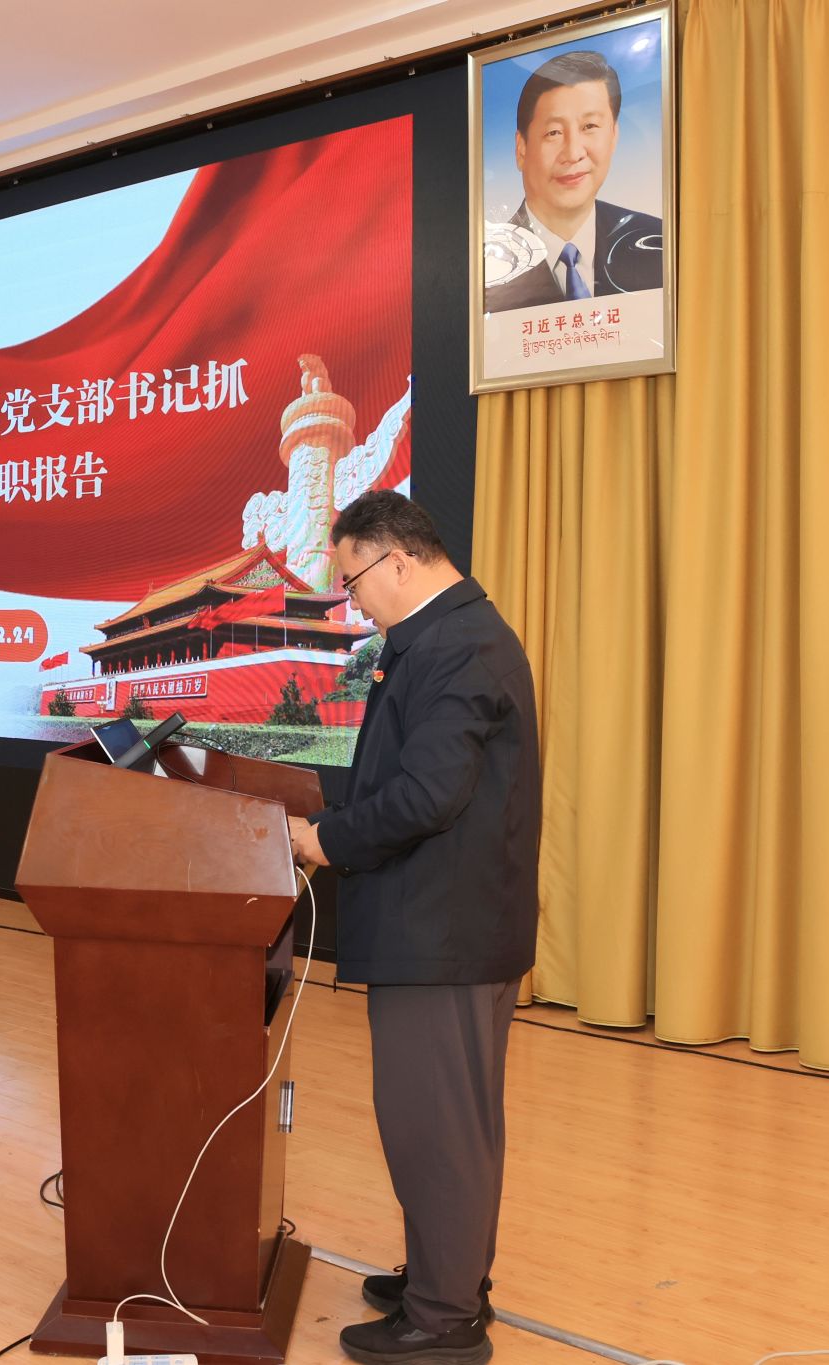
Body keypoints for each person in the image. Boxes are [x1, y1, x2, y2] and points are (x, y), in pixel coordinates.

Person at [286, 491, 541, 1365]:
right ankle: (446, 1276)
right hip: (442, 927)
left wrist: (326, 839)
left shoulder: (459, 644)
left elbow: (428, 795)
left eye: (353, 580)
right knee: (447, 1122)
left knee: (438, 1127)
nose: (353, 601)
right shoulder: (439, 637)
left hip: (444, 934)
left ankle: (443, 1320)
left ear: (396, 558)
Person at [483, 48, 663, 313]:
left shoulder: (657, 244)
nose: (573, 153)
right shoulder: (486, 267)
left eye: (589, 127)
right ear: (521, 149)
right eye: (554, 132)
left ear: (614, 136)